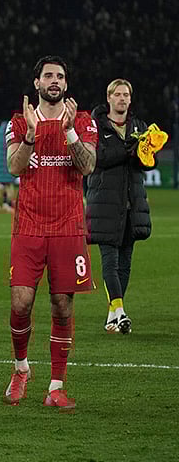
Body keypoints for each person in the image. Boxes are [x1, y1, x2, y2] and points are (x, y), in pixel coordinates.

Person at [4, 55, 97, 410]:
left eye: (59, 76)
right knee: (20, 302)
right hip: (28, 226)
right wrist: (30, 135)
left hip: (67, 227)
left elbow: (87, 166)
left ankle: (56, 386)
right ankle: (21, 368)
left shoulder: (83, 121)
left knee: (62, 305)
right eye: (48, 76)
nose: (54, 80)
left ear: (66, 84)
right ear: (37, 83)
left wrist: (70, 131)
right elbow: (14, 167)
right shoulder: (19, 121)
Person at [85, 79, 153, 334]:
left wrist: (148, 152)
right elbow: (100, 157)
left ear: (130, 99)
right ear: (109, 98)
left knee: (125, 263)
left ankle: (113, 315)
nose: (122, 98)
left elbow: (147, 164)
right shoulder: (96, 126)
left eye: (126, 95)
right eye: (118, 94)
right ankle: (120, 311)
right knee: (110, 261)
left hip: (131, 204)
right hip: (104, 204)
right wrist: (130, 150)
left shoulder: (139, 126)